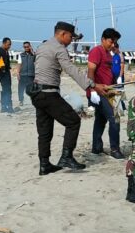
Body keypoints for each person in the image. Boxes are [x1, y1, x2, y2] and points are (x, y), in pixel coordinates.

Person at [31, 21, 110, 175]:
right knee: (73, 121)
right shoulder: (59, 48)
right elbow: (71, 70)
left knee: (45, 130)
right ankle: (66, 157)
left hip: (37, 94)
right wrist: (93, 85)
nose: (71, 41)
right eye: (71, 38)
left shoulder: (43, 46)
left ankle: (44, 164)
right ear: (62, 34)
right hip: (49, 93)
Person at [87, 28, 124, 159]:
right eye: (111, 41)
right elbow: (90, 71)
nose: (113, 44)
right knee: (115, 119)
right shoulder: (96, 51)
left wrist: (117, 83)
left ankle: (96, 147)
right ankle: (115, 149)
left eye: (115, 42)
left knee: (100, 119)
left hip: (109, 90)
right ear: (103, 39)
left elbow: (108, 72)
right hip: (99, 91)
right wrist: (92, 90)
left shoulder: (109, 54)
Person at [0, 37, 14, 113]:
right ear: (4, 43)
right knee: (6, 89)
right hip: (2, 73)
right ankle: (7, 106)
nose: (9, 46)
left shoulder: (6, 51)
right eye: (8, 44)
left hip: (7, 72)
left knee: (7, 89)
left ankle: (5, 106)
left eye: (10, 44)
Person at [16, 41, 35, 107]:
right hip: (23, 75)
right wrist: (18, 73)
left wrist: (32, 51)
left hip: (31, 75)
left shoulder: (34, 55)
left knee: (32, 89)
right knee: (21, 89)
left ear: (30, 46)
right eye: (25, 47)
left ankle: (33, 100)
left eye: (27, 46)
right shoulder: (21, 55)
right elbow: (19, 64)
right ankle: (21, 100)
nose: (26, 48)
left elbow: (37, 61)